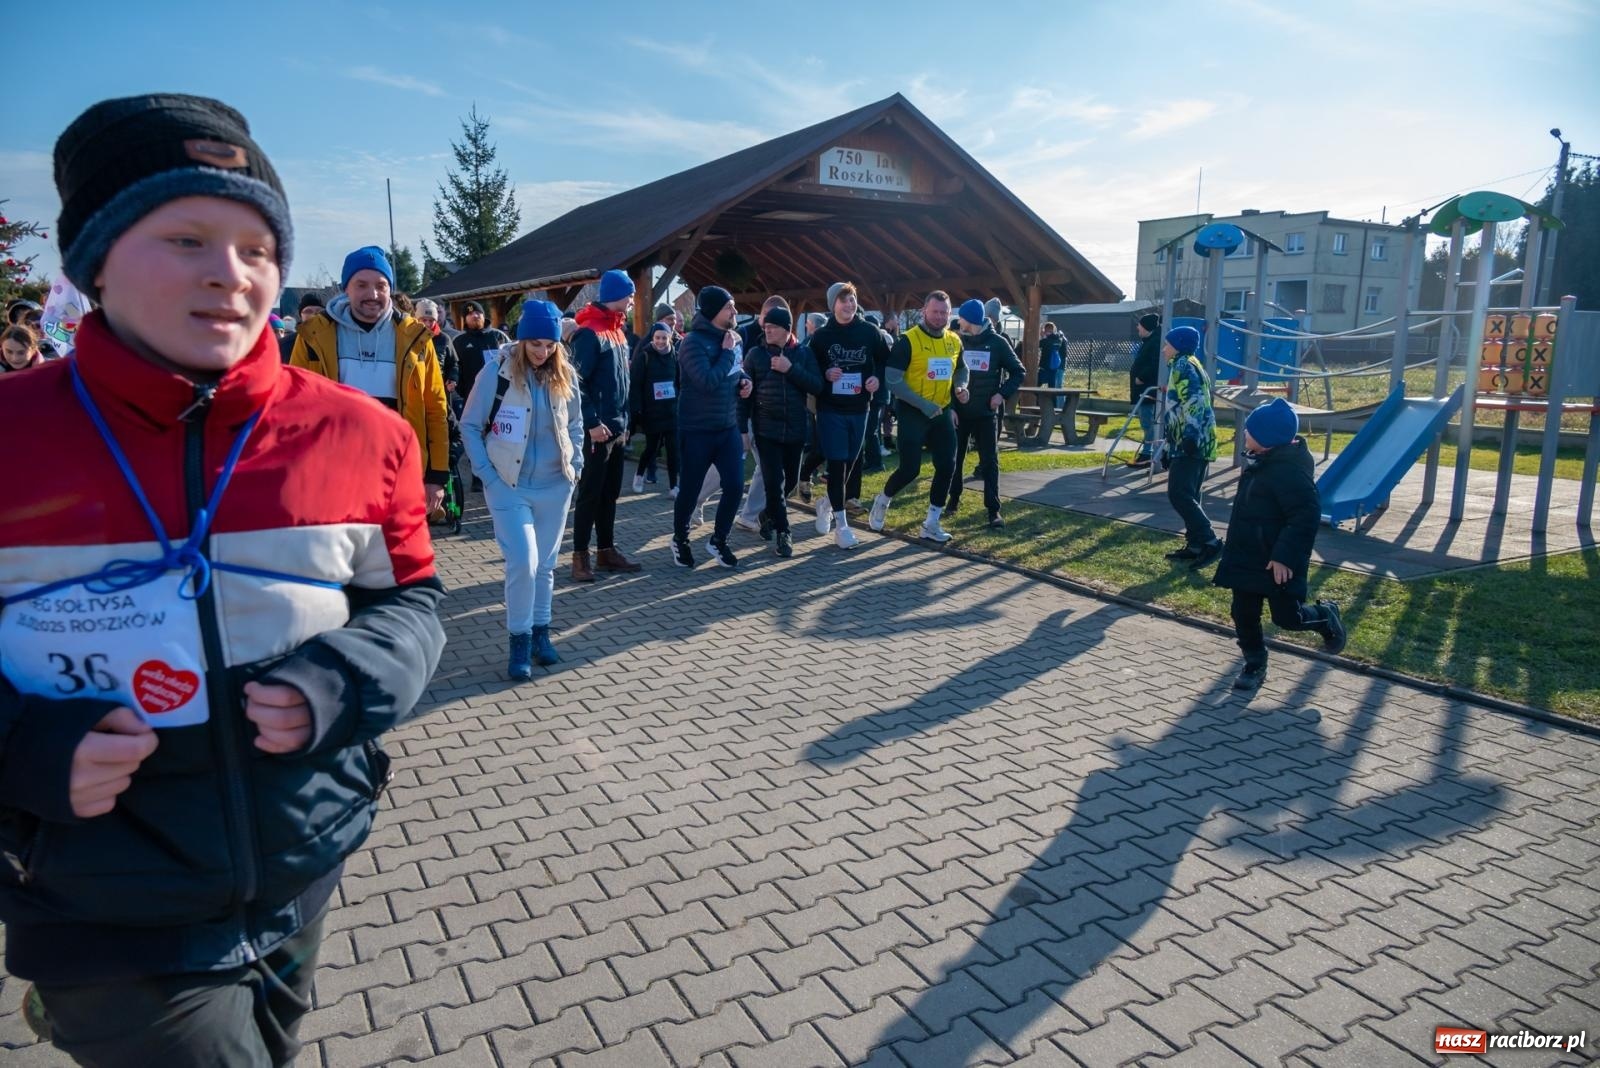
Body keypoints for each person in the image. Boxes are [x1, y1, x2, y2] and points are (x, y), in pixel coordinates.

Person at [0, 92, 445, 1067]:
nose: (231, 278)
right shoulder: (10, 438)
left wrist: (341, 682)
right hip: (94, 903)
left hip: (301, 867)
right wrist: (28, 747)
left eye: (257, 249)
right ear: (95, 263)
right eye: (188, 238)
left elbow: (411, 603)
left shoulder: (364, 437)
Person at [460, 300, 584, 677]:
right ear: (522, 339)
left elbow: (576, 425)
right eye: (535, 344)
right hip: (509, 487)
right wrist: (488, 477)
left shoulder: (566, 376)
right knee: (523, 563)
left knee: (545, 566)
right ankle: (518, 641)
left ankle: (541, 635)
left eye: (550, 345)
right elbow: (468, 425)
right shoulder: (495, 373)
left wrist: (575, 467)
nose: (542, 352)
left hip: (555, 486)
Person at [290, 245, 451, 518]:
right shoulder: (314, 336)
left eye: (381, 285)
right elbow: (293, 408)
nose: (372, 294)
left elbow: (435, 409)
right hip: (334, 476)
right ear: (346, 288)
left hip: (401, 473)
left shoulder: (415, 338)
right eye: (361, 284)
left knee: (400, 556)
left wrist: (436, 475)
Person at [1213, 398, 1346, 689]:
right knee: (1243, 613)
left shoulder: (1288, 471)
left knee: (1288, 617)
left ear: (1266, 439)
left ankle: (1325, 617)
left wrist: (1284, 556)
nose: (1244, 434)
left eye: (1249, 431)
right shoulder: (1259, 460)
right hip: (1248, 556)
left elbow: (1305, 516)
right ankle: (1254, 663)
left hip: (1278, 562)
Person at [869, 291, 963, 542]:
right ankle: (883, 499)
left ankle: (931, 522)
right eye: (935, 312)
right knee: (910, 469)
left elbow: (962, 369)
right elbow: (891, 380)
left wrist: (962, 386)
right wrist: (922, 404)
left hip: (940, 412)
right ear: (924, 311)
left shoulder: (954, 340)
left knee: (947, 466)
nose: (940, 317)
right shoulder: (908, 341)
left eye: (945, 312)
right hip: (912, 411)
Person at [671, 285, 753, 569]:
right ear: (713, 311)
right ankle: (680, 538)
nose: (735, 311)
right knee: (691, 491)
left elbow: (735, 370)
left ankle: (719, 539)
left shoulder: (733, 339)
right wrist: (728, 354)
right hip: (696, 429)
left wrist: (745, 382)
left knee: (733, 485)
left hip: (727, 426)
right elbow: (706, 381)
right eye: (729, 306)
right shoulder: (691, 342)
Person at [568, 269, 642, 581]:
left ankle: (606, 551)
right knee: (590, 494)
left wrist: (625, 422)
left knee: (610, 493)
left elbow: (622, 382)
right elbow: (577, 383)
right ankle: (580, 556)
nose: (633, 300)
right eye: (630, 294)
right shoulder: (589, 332)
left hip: (617, 428)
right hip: (598, 430)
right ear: (617, 295)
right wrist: (592, 423)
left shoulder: (620, 332)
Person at [807, 282, 887, 548]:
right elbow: (809, 368)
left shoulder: (869, 332)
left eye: (852, 300)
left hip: (859, 407)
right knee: (838, 463)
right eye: (843, 301)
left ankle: (826, 503)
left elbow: (885, 360)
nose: (849, 305)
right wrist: (825, 374)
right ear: (833, 305)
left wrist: (876, 377)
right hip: (831, 409)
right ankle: (841, 527)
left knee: (851, 462)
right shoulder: (820, 337)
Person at [741, 306, 822, 557]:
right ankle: (784, 533)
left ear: (787, 329)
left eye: (773, 327)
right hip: (766, 430)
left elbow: (817, 385)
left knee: (791, 482)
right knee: (774, 484)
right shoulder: (755, 354)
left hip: (796, 429)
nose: (767, 330)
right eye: (765, 326)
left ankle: (766, 515)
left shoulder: (803, 353)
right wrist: (743, 428)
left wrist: (790, 369)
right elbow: (744, 395)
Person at [949, 298, 1024, 528]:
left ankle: (993, 510)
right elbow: (949, 375)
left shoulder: (998, 343)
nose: (958, 321)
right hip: (960, 413)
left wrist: (1001, 394)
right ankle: (953, 500)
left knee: (989, 461)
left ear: (970, 319)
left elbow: (1018, 372)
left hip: (986, 413)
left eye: (962, 317)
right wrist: (951, 406)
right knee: (955, 459)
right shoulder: (957, 341)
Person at [1160, 325, 1223, 569]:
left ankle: (1209, 541)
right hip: (1190, 440)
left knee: (1180, 493)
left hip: (1193, 441)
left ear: (1178, 345)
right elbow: (1177, 410)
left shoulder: (1184, 365)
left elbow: (1194, 403)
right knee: (1190, 493)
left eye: (1168, 344)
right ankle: (1195, 544)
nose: (1164, 348)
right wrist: (1168, 447)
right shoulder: (1189, 363)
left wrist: (1189, 438)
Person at [449, 301, 511, 490]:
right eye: (469, 314)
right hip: (472, 398)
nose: (474, 316)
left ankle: (502, 471)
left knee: (499, 435)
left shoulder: (498, 337)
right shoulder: (459, 342)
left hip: (501, 400)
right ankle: (478, 476)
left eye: (477, 313)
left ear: (483, 315)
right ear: (465, 319)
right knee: (476, 437)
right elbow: (455, 368)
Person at [630, 322, 680, 495]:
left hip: (671, 411)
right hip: (652, 411)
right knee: (651, 448)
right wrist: (637, 409)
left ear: (670, 338)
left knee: (673, 450)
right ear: (652, 338)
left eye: (664, 338)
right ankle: (639, 474)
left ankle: (674, 486)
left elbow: (679, 382)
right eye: (657, 338)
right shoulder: (644, 356)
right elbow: (636, 385)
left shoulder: (675, 356)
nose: (660, 341)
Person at [1128, 312, 1161, 466]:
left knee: (1148, 422)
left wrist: (1141, 377)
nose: (1138, 328)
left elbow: (1155, 364)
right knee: (1146, 422)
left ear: (1147, 327)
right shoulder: (1149, 341)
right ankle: (1149, 451)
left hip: (1148, 389)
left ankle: (1148, 452)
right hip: (1144, 389)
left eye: (1140, 326)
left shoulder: (1154, 342)